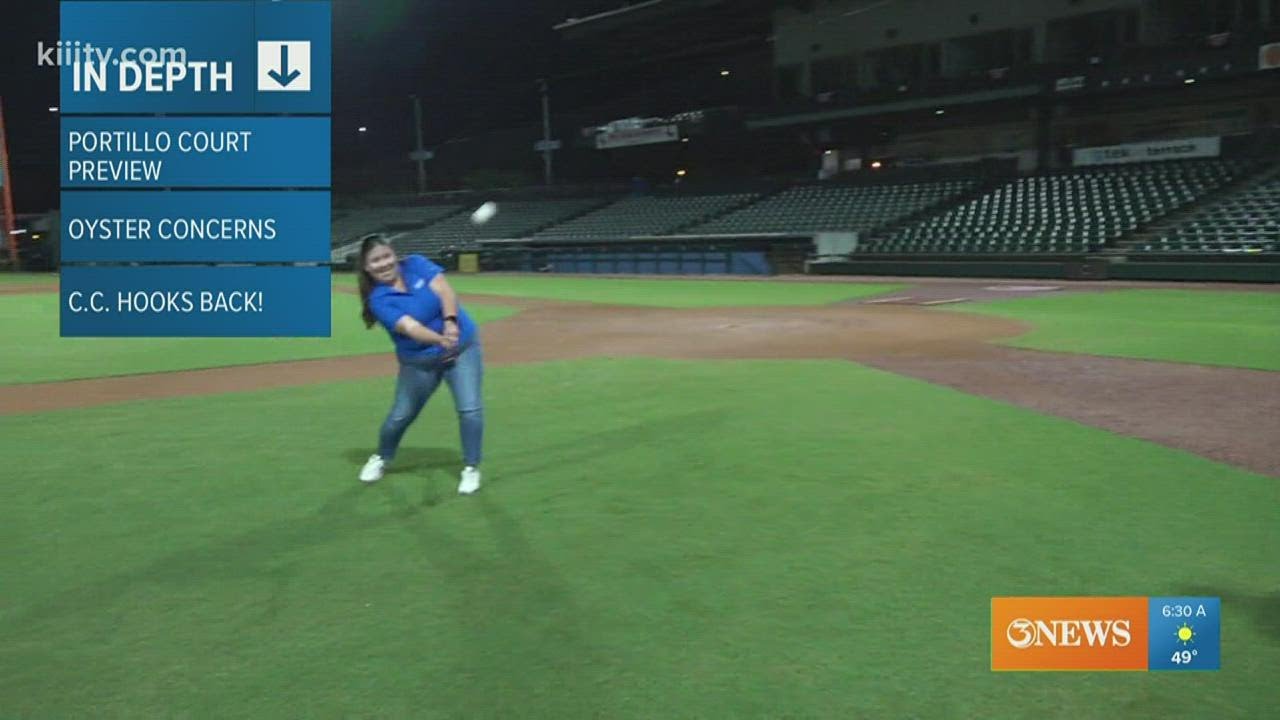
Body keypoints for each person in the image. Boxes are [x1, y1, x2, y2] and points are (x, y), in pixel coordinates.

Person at [355, 235, 484, 494]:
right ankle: (382, 457)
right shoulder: (379, 299)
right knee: (401, 415)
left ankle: (471, 468)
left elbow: (445, 290)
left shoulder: (416, 264)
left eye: (386, 256)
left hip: (463, 349)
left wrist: (449, 322)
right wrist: (440, 339)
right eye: (375, 261)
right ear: (367, 267)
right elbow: (410, 328)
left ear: (395, 255)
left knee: (470, 409)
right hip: (419, 362)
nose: (383, 264)